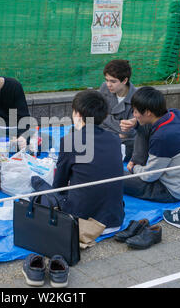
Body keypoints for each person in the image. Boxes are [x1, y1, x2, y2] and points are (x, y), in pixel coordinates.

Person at [31, 89, 125, 232]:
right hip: (115, 220)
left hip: (82, 223)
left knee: (37, 183)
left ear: (77, 114)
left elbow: (59, 186)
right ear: (105, 115)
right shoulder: (114, 139)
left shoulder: (70, 141)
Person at [123, 86, 180, 203]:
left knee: (113, 176)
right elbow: (146, 125)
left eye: (135, 111)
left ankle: (134, 165)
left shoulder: (162, 137)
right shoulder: (175, 114)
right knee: (143, 126)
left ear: (148, 112)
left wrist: (135, 169)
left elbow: (150, 176)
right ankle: (137, 161)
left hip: (170, 191)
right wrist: (136, 122)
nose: (134, 115)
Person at [98, 59, 137, 162]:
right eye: (106, 80)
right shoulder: (104, 88)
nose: (108, 84)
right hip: (109, 135)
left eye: (113, 81)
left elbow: (129, 132)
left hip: (125, 143)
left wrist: (105, 118)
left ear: (124, 80)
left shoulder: (137, 98)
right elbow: (95, 115)